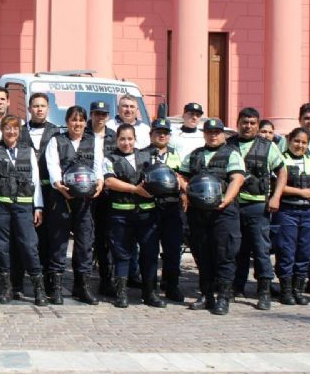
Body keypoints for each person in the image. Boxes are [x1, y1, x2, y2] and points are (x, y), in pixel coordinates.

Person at [0, 115, 47, 306]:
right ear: (2, 130)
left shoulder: (28, 151)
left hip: (24, 205)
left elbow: (36, 181)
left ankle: (38, 288)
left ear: (19, 130)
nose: (11, 132)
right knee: (3, 248)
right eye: (7, 128)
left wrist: (38, 206)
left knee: (29, 246)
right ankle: (7, 287)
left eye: (15, 128)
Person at [181, 118, 245, 315]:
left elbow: (237, 178)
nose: (213, 135)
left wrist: (226, 199)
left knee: (225, 254)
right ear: (204, 133)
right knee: (202, 255)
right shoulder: (195, 155)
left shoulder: (232, 154)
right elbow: (181, 176)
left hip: (223, 212)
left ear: (223, 133)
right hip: (199, 213)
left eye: (217, 131)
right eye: (209, 132)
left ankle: (223, 297)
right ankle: (206, 295)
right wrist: (189, 191)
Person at [227, 108, 286, 311]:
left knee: (261, 250)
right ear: (238, 123)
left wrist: (276, 196)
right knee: (237, 250)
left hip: (258, 206)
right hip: (233, 205)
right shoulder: (229, 144)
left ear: (258, 125)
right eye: (245, 122)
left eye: (253, 123)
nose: (248, 126)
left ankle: (264, 291)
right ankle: (236, 287)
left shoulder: (268, 147)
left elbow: (282, 171)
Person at [44, 105, 103, 305]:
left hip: (85, 201)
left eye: (80, 120)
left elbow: (98, 166)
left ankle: (82, 286)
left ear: (85, 122)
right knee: (59, 243)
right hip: (62, 199)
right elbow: (52, 166)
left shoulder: (93, 141)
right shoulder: (56, 140)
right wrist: (59, 185)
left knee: (85, 244)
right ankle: (56, 287)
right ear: (67, 121)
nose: (77, 124)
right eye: (73, 119)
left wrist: (100, 182)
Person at [102, 124, 164, 308]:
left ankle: (150, 293)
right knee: (122, 254)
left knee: (150, 254)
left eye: (130, 139)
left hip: (147, 215)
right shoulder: (110, 158)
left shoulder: (148, 157)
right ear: (117, 140)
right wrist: (135, 189)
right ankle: (122, 294)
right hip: (120, 215)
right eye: (122, 139)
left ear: (135, 139)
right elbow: (109, 181)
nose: (126, 143)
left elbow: (160, 176)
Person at [274, 127, 310, 306]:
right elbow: (278, 187)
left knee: (304, 252)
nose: (300, 145)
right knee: (286, 251)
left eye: (304, 142)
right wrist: (301, 192)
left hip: (308, 213)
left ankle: (298, 290)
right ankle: (286, 290)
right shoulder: (281, 160)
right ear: (289, 140)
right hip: (287, 211)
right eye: (297, 141)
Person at [140, 118, 186, 302]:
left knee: (173, 250)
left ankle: (171, 286)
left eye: (165, 132)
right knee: (148, 251)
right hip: (150, 208)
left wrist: (184, 191)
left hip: (172, 207)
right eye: (158, 132)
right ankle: (149, 289)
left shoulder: (176, 154)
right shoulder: (142, 154)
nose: (161, 135)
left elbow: (183, 177)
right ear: (151, 134)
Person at [17, 93, 60, 296]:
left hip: (50, 191)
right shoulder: (20, 131)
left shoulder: (56, 132)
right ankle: (19, 282)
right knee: (25, 237)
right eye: (35, 106)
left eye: (43, 106)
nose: (39, 109)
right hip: (24, 190)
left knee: (49, 237)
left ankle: (49, 282)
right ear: (29, 109)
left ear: (48, 108)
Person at [87, 101, 119, 296]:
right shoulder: (84, 134)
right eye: (97, 113)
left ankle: (107, 281)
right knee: (87, 237)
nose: (100, 117)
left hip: (108, 194)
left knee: (106, 238)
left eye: (103, 114)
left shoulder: (114, 137)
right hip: (87, 192)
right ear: (91, 114)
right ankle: (81, 281)